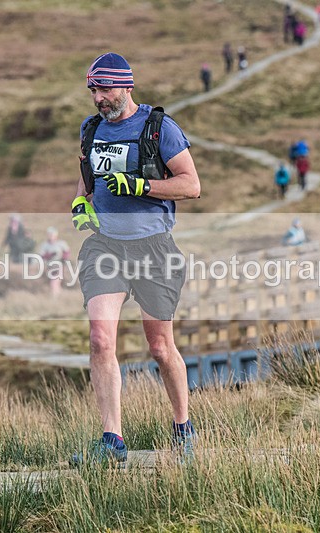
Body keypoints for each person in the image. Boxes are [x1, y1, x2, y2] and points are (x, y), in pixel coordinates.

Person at [71, 52, 201, 466]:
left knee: (161, 348)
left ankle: (183, 429)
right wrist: (79, 201)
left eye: (105, 90)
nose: (98, 99)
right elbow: (88, 175)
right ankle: (113, 442)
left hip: (153, 249)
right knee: (100, 339)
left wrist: (139, 185)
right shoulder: (91, 129)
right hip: (105, 245)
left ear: (126, 86)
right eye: (93, 91)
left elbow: (191, 185)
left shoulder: (159, 129)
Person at [38, 227, 70, 297]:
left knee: (54, 282)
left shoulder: (61, 243)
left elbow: (67, 253)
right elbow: (42, 255)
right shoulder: (44, 245)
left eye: (52, 234)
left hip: (59, 265)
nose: (51, 236)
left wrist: (63, 258)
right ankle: (60, 297)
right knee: (55, 284)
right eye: (50, 234)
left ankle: (54, 298)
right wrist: (50, 255)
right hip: (49, 266)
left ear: (56, 235)